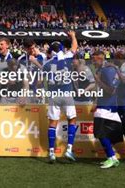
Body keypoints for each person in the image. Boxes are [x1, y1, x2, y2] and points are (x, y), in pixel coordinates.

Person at [42, 31, 78, 163]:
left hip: (53, 95)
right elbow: (74, 47)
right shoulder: (67, 57)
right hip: (67, 93)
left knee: (53, 123)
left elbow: (40, 81)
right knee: (72, 119)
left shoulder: (46, 64)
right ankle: (69, 149)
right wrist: (73, 36)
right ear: (62, 49)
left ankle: (51, 152)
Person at [92, 51, 123, 169]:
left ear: (100, 59)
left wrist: (98, 80)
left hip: (106, 106)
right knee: (102, 134)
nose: (93, 62)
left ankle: (112, 157)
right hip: (104, 105)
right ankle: (111, 157)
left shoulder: (106, 70)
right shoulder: (103, 70)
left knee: (101, 133)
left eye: (94, 60)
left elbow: (111, 90)